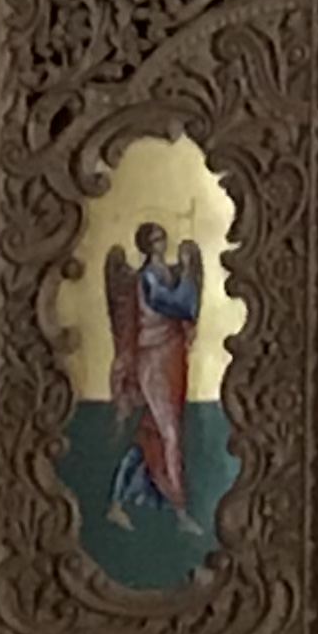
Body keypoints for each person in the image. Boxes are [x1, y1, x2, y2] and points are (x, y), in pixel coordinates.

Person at [102, 223, 199, 526]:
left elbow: (188, 308)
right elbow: (175, 304)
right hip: (153, 359)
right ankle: (180, 509)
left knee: (152, 433)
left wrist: (185, 274)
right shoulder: (148, 278)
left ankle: (117, 502)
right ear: (146, 245)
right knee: (169, 434)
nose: (161, 242)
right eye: (155, 239)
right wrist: (187, 273)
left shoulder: (165, 274)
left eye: (162, 237)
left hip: (170, 357)